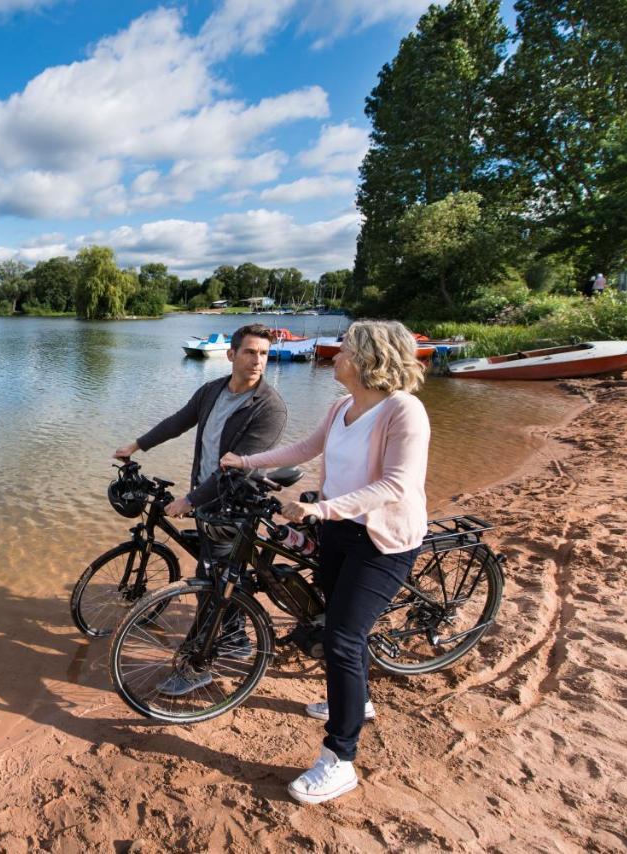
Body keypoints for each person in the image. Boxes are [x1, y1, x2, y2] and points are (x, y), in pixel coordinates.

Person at [221, 320, 429, 806]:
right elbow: (305, 448)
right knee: (334, 622)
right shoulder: (341, 406)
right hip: (337, 532)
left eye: (345, 349)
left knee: (341, 636)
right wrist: (246, 462)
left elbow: (397, 484)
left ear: (368, 358)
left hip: (382, 540)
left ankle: (340, 760)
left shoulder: (404, 411)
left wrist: (320, 508)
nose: (335, 355)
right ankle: (359, 700)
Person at [114, 323, 288, 692]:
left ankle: (197, 666)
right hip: (205, 496)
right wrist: (136, 445)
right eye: (250, 352)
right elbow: (178, 421)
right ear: (231, 355)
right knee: (221, 573)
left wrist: (189, 501)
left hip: (236, 504)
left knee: (213, 584)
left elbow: (239, 468)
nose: (258, 361)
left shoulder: (268, 408)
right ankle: (238, 639)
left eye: (264, 354)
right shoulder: (212, 391)